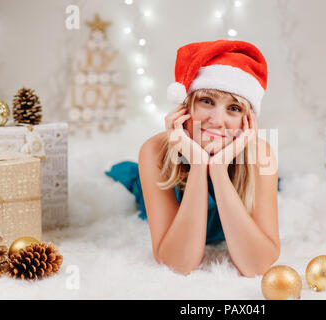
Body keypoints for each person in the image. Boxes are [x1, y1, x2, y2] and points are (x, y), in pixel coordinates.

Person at [111, 40, 280, 277]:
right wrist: (199, 165)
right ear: (185, 107)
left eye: (233, 108)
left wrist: (219, 170)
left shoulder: (261, 154)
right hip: (169, 182)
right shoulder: (154, 151)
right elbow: (178, 263)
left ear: (247, 119)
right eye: (207, 101)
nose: (217, 120)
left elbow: (256, 265)